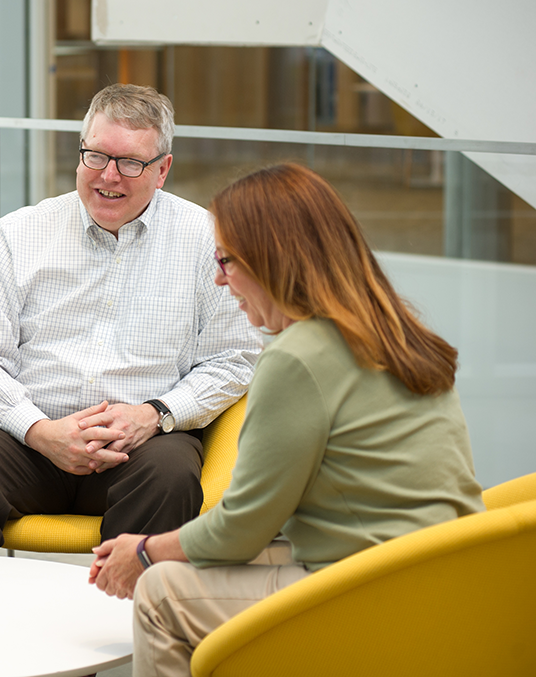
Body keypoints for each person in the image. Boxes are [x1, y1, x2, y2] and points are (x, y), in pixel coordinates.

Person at [87, 163, 485, 677]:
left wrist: (143, 552)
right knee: (193, 565)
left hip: (375, 591)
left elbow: (241, 530)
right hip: (445, 576)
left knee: (162, 591)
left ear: (270, 260)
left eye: (225, 260)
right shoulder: (392, 330)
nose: (217, 278)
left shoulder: (298, 357)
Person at [0, 84, 262, 554]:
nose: (109, 176)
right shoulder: (19, 233)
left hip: (142, 445)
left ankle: (124, 624)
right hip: (27, 441)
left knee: (171, 474)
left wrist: (156, 415)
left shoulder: (207, 240)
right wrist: (40, 431)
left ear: (163, 169)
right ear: (80, 151)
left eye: (130, 162)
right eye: (96, 156)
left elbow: (234, 359)